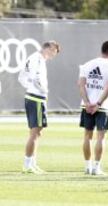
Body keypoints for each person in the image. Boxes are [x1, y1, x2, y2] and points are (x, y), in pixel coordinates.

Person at [18, 41, 60, 174]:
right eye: (55, 50)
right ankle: (27, 165)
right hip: (36, 98)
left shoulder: (35, 58)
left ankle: (32, 163)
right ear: (49, 48)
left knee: (37, 132)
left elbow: (21, 77)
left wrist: (30, 87)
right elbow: (35, 78)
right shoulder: (37, 59)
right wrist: (43, 90)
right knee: (35, 133)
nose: (55, 54)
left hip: (34, 97)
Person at [78, 40, 108, 175]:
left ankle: (87, 167)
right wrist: (98, 104)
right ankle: (96, 168)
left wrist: (87, 102)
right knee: (100, 137)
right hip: (103, 106)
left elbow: (81, 84)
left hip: (87, 106)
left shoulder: (87, 64)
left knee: (87, 136)